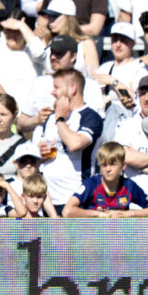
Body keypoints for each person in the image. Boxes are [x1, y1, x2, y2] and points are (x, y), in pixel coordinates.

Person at [34, 69, 103, 212]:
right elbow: (44, 151)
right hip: (48, 199)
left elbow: (75, 144)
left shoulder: (90, 117)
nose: (52, 92)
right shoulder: (51, 118)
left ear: (72, 88)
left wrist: (60, 119)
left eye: (56, 87)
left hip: (76, 199)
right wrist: (42, 152)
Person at [62, 141, 148, 217]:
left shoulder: (129, 186)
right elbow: (67, 211)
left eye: (113, 164)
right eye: (104, 165)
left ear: (123, 165)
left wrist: (129, 214)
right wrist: (98, 214)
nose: (108, 169)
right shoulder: (91, 184)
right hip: (94, 236)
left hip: (120, 237)